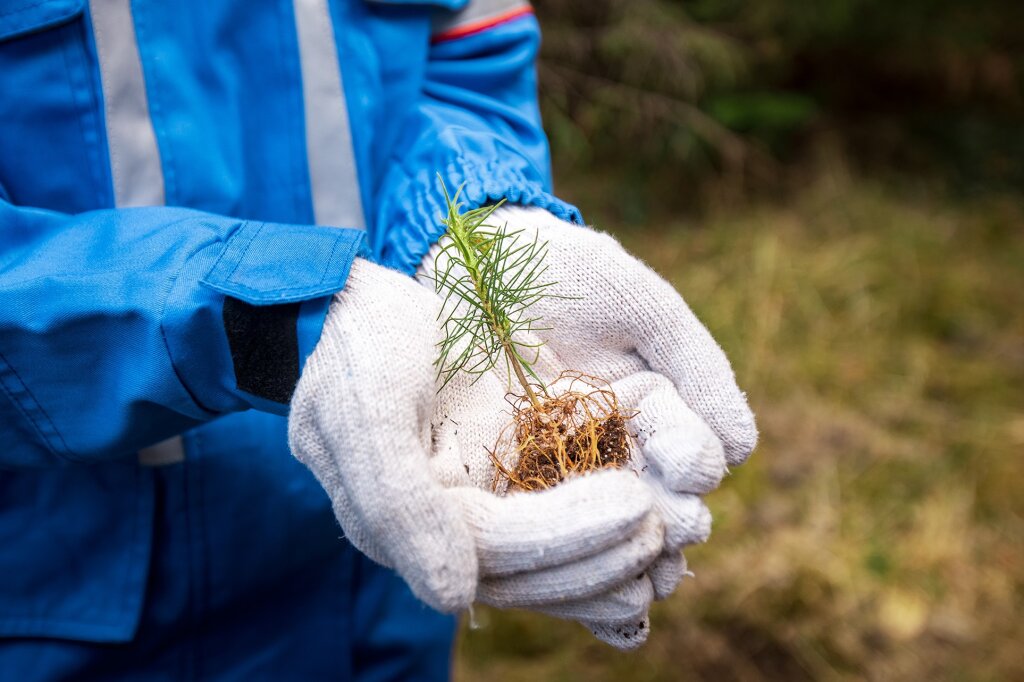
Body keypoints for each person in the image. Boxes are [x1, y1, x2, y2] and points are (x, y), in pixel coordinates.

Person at [0, 0, 756, 679]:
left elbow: (465, 53)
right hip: (75, 605)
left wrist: (472, 218)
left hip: (389, 586)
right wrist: (266, 320)